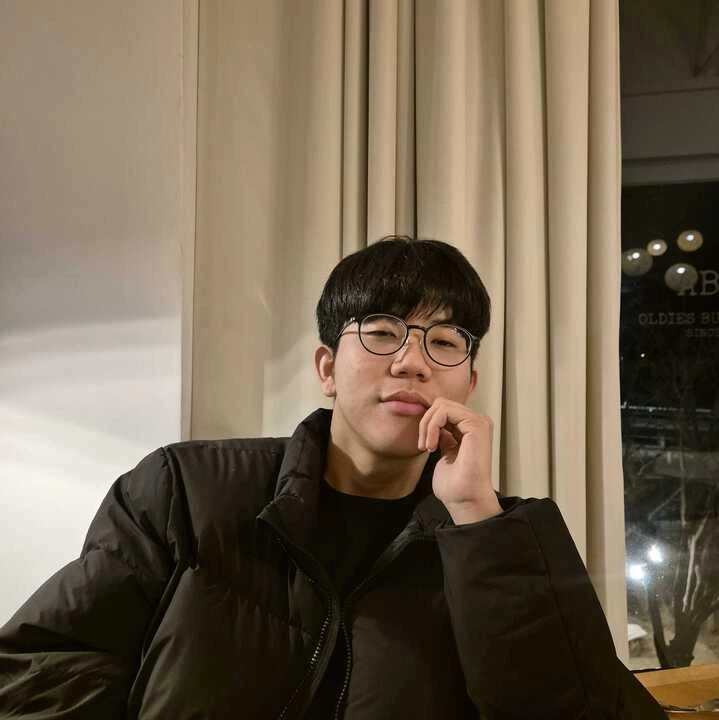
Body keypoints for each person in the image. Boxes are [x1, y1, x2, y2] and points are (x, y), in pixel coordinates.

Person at [0, 237, 664, 719]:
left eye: (443, 341)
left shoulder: (498, 539)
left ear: (468, 381)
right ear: (326, 368)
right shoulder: (186, 490)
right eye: (381, 332)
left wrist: (478, 519)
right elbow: (41, 667)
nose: (411, 362)